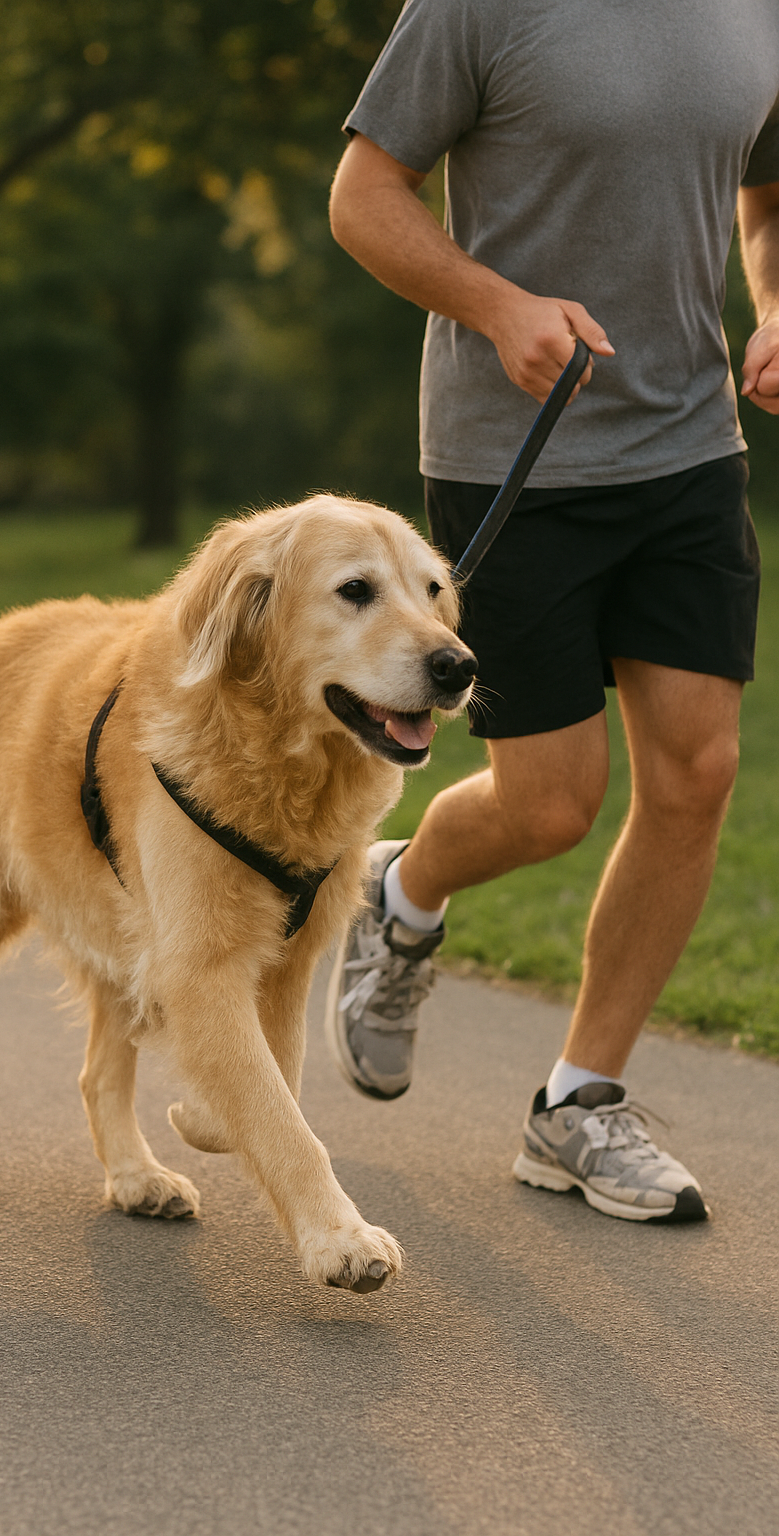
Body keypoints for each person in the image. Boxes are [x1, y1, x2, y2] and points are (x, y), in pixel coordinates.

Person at [324, 0, 779, 1222]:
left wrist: (777, 304)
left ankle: (579, 1105)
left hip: (689, 448)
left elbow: (767, 195)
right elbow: (363, 195)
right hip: (514, 453)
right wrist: (494, 305)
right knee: (551, 804)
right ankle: (399, 892)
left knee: (696, 773)